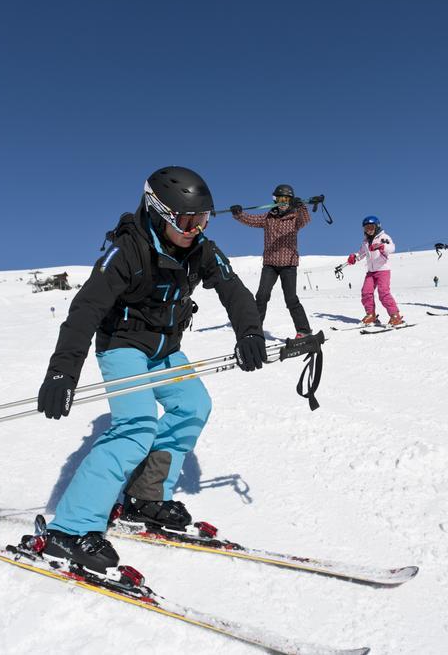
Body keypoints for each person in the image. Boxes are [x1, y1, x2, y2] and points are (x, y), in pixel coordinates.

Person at [35, 166, 267, 574]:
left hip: (165, 348)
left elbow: (233, 289)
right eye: (187, 220)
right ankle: (69, 529)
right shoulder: (128, 250)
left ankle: (145, 495)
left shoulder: (200, 250)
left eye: (203, 220)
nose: (195, 229)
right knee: (137, 425)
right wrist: (62, 372)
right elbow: (86, 309)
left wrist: (249, 332)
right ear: (159, 211)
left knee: (193, 405)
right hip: (123, 346)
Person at [230, 184, 312, 337]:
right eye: (280, 199)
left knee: (291, 299)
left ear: (291, 201)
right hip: (270, 265)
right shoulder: (268, 218)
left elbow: (305, 220)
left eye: (286, 199)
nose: (283, 202)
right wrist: (238, 214)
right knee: (261, 296)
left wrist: (301, 207)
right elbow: (251, 220)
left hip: (288, 264)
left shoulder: (295, 218)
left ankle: (304, 331)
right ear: (275, 200)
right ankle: (254, 330)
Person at [346, 215, 403, 326]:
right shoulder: (365, 242)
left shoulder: (383, 237)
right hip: (371, 272)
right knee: (366, 292)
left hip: (383, 270)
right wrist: (354, 257)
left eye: (371, 227)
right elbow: (362, 254)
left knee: (383, 293)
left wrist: (382, 246)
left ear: (377, 226)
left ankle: (395, 316)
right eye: (366, 228)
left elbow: (392, 248)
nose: (369, 230)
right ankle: (371, 315)